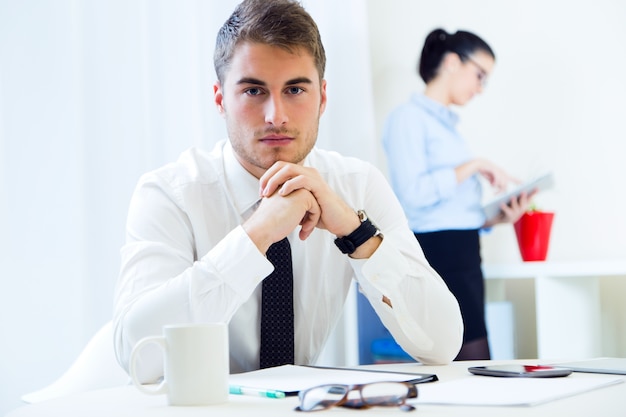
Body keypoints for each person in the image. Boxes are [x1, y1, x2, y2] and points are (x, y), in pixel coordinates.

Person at [113, 0, 463, 383]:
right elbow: (139, 359)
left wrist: (356, 233)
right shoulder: (170, 193)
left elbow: (443, 344)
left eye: (295, 89)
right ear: (220, 99)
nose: (275, 115)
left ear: (323, 98)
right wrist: (256, 235)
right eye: (253, 91)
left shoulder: (357, 185)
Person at [381, 28, 532, 360]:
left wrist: (495, 217)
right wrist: (474, 165)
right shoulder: (407, 119)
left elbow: (450, 208)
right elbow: (414, 196)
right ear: (452, 62)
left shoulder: (449, 128)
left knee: (473, 356)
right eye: (480, 75)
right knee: (468, 357)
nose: (480, 88)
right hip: (439, 252)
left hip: (462, 249)